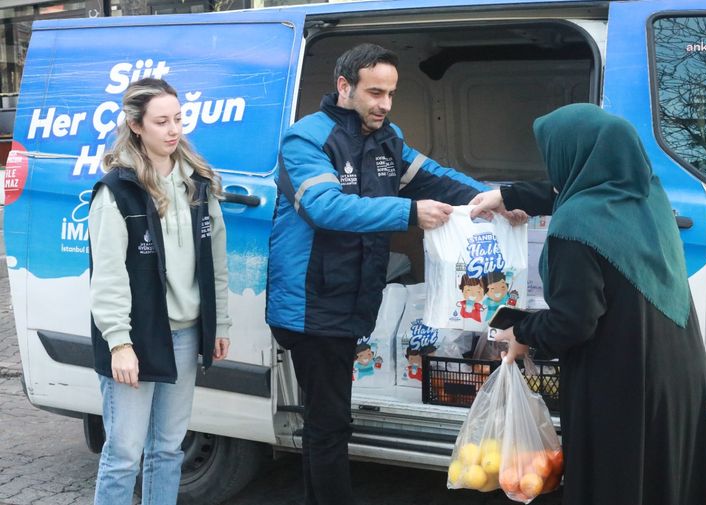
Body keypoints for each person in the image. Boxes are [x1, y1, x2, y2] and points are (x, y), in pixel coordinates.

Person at [266, 43, 488, 505]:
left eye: (390, 93)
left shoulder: (388, 137)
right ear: (344, 87)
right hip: (313, 305)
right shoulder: (306, 139)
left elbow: (436, 178)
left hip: (352, 301)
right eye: (374, 93)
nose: (384, 104)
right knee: (328, 423)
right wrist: (409, 212)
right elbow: (323, 207)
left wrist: (498, 198)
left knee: (327, 420)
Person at [471, 103, 706, 505]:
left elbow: (572, 324)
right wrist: (509, 195)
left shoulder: (574, 229)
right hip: (677, 373)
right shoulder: (646, 199)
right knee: (662, 482)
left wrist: (521, 332)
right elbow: (576, 191)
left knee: (617, 484)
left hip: (622, 380)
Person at [88, 78, 232, 505]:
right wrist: (119, 343)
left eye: (178, 119)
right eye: (161, 122)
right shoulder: (117, 191)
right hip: (137, 338)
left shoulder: (198, 184)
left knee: (168, 449)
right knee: (123, 453)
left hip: (186, 334)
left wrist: (219, 321)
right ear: (136, 125)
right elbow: (108, 275)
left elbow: (216, 262)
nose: (173, 130)